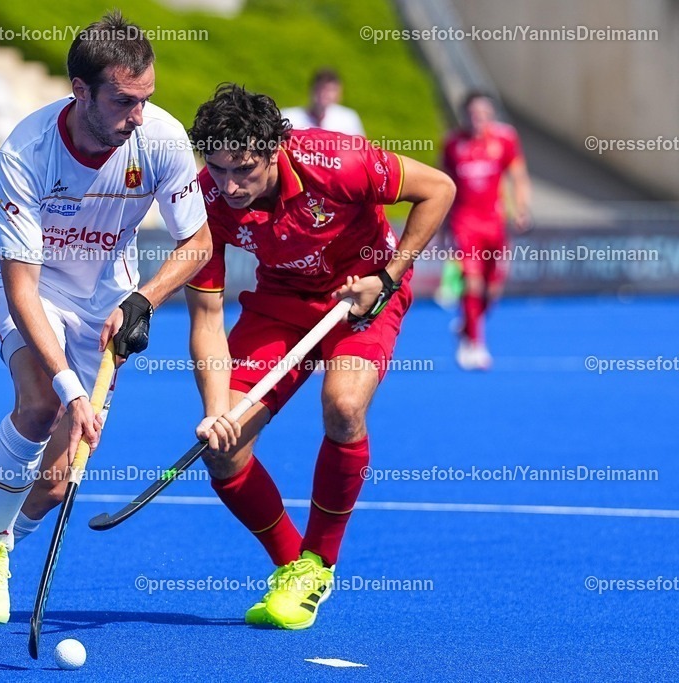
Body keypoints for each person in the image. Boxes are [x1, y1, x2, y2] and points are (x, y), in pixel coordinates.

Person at [0, 11, 211, 645]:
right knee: (38, 405)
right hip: (24, 283)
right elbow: (22, 287)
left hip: (105, 298)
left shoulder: (163, 140)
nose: (138, 115)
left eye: (146, 98)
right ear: (79, 90)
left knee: (57, 482)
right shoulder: (26, 152)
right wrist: (68, 387)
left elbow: (196, 242)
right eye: (123, 100)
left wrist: (144, 297)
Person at [185, 84, 455, 629]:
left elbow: (439, 189)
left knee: (344, 405)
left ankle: (321, 558)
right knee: (224, 451)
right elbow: (207, 318)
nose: (230, 185)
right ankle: (298, 568)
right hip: (280, 305)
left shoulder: (336, 161)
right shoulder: (205, 200)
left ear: (273, 151)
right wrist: (217, 410)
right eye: (217, 169)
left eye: (243, 170)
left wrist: (388, 275)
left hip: (364, 296)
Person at [441, 92, 531, 370]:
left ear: (491, 114)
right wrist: (442, 223)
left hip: (495, 222)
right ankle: (475, 344)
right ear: (464, 115)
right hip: (465, 222)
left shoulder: (505, 139)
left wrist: (521, 208)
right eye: (472, 113)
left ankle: (469, 323)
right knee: (472, 280)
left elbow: (518, 176)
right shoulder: (453, 144)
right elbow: (443, 185)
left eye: (483, 113)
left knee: (492, 290)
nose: (478, 118)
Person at [280, 68, 365, 136]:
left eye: (331, 90)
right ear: (311, 89)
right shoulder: (289, 117)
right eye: (321, 88)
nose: (325, 94)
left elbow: (361, 150)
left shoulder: (348, 119)